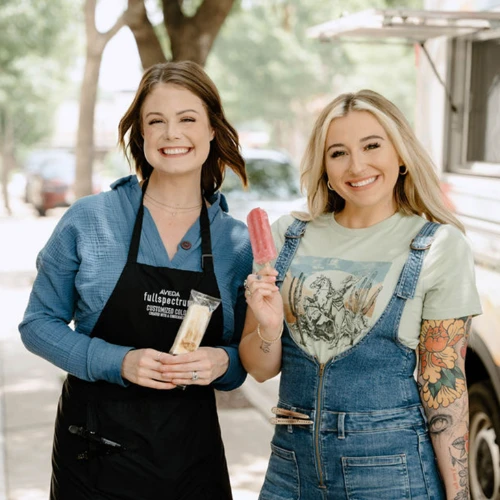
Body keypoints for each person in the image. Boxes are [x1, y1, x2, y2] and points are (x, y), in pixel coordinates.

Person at [19, 61, 253, 500]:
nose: (171, 134)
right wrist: (116, 361)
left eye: (187, 119)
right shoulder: (90, 219)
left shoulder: (235, 243)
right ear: (140, 135)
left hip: (190, 457)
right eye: (155, 122)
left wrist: (223, 364)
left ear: (212, 131)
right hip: (93, 452)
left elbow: (250, 353)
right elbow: (37, 324)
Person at [240, 89, 481, 499]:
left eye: (372, 145)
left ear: (400, 155)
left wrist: (459, 496)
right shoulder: (286, 237)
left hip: (392, 473)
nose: (357, 165)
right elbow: (260, 369)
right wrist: (268, 326)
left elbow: (444, 385)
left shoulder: (438, 245)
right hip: (290, 472)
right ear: (325, 167)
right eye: (338, 153)